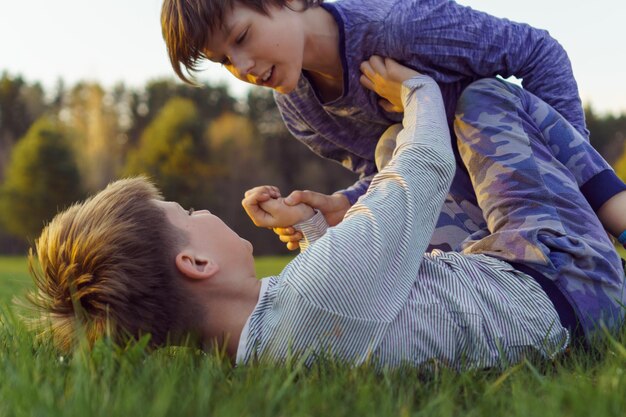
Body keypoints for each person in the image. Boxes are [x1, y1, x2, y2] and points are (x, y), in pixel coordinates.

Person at [28, 60, 624, 369]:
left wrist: (316, 227)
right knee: (480, 101)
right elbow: (424, 167)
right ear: (195, 261)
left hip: (509, 287)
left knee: (387, 150)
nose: (202, 208)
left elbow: (362, 304)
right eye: (185, 210)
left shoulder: (271, 340)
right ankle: (616, 209)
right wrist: (416, 90)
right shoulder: (314, 296)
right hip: (568, 282)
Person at [160, 0, 626, 253]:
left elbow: (540, 52)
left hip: (522, 168)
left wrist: (570, 182)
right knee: (390, 151)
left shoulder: (399, 26)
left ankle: (600, 226)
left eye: (241, 37)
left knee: (471, 102)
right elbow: (386, 174)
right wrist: (341, 204)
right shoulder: (300, 109)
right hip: (471, 213)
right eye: (223, 61)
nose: (242, 67)